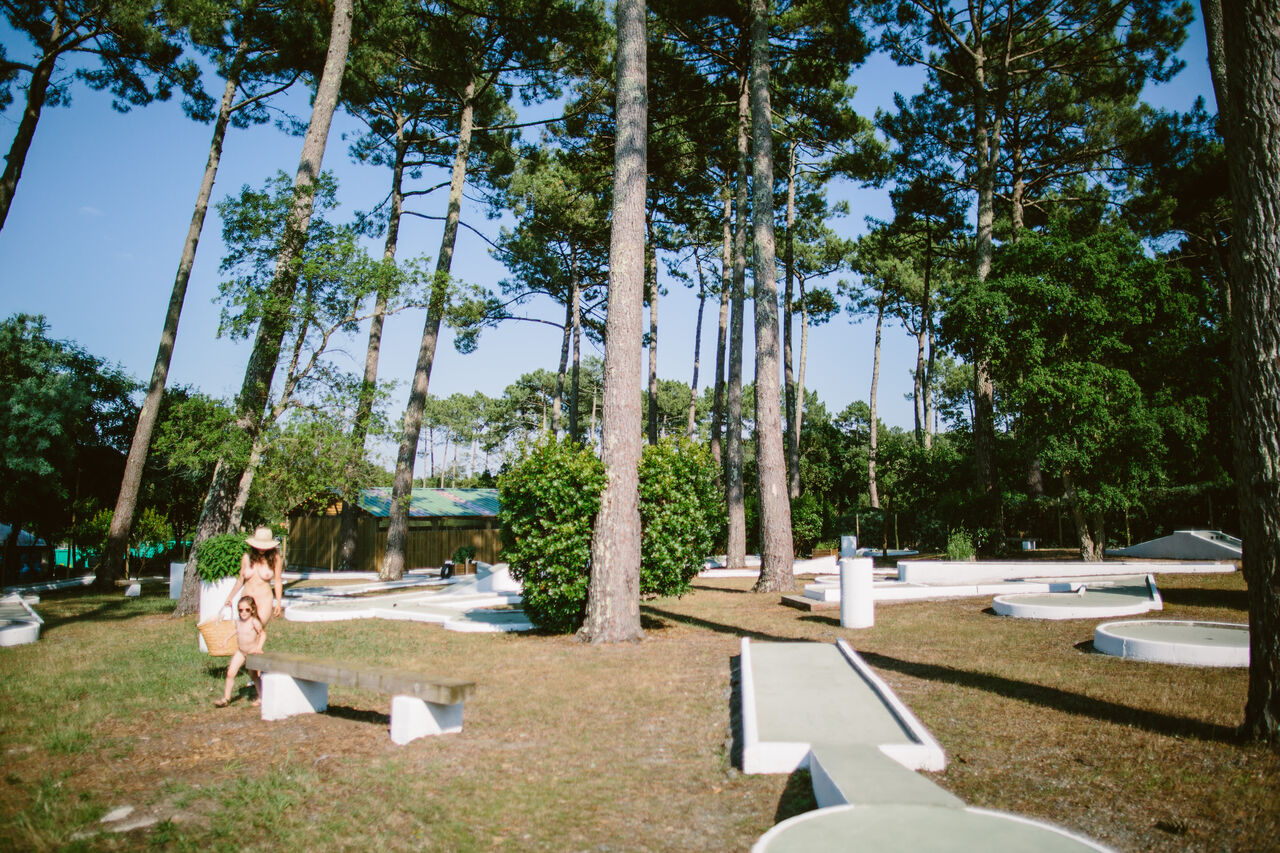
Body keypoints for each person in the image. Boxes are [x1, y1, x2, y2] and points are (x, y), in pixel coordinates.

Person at [223, 527, 284, 626]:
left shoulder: (275, 558)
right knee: (246, 632)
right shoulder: (246, 557)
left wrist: (278, 602)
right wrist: (230, 597)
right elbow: (240, 580)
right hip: (246, 600)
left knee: (258, 629)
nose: (262, 548)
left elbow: (277, 581)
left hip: (264, 600)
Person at [215, 596, 266, 707]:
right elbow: (236, 631)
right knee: (230, 673)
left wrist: (259, 648)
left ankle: (262, 697)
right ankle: (226, 698)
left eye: (247, 610)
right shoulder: (239, 621)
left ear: (252, 610)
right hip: (241, 652)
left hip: (251, 653)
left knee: (254, 676)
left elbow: (262, 634)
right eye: (240, 610)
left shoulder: (254, 622)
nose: (243, 612)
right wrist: (226, 640)